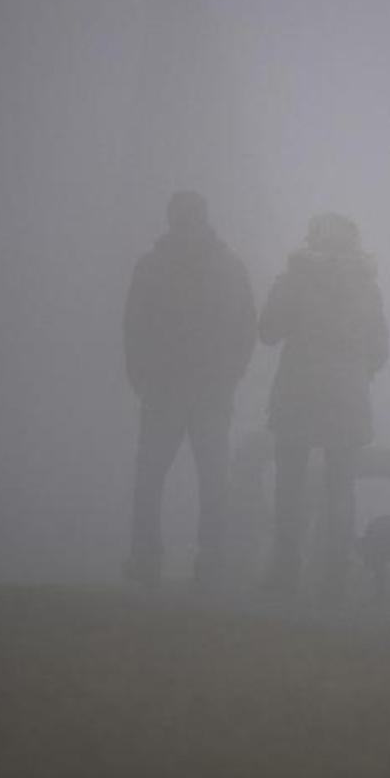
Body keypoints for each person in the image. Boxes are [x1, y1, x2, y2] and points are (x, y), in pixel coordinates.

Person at [123, 191, 256, 589]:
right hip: (211, 388)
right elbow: (246, 327)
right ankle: (211, 561)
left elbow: (134, 326)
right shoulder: (229, 267)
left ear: (171, 218)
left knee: (150, 476)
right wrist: (231, 374)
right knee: (212, 478)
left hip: (164, 387)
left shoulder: (151, 266)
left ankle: (145, 559)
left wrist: (140, 375)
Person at [258, 212, 388, 599]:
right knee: (340, 490)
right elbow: (380, 348)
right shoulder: (366, 285)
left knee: (290, 487)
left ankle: (285, 572)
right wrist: (356, 374)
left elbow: (268, 331)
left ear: (313, 240)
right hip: (347, 398)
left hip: (297, 393)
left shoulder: (295, 279)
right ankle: (335, 578)